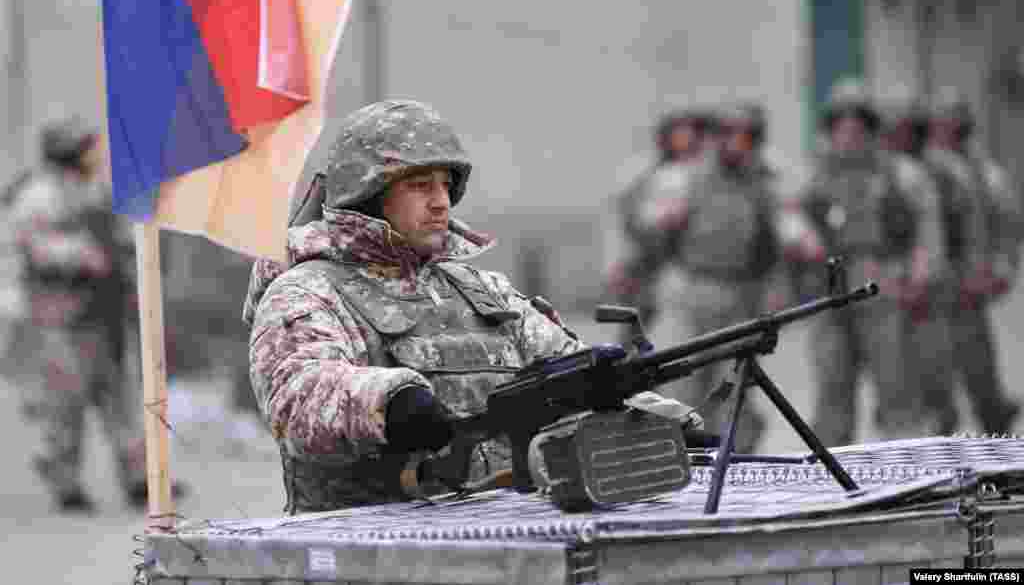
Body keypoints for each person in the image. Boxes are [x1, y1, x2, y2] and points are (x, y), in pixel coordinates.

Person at [242, 100, 702, 513]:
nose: (441, 202)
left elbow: (567, 372)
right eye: (420, 186)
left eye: (445, 185)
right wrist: (388, 401)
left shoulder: (479, 290)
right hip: (361, 544)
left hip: (495, 531)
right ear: (369, 197)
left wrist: (655, 417)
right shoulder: (308, 290)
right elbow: (296, 393)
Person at [630, 102, 810, 454]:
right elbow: (645, 219)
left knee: (733, 391)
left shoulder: (765, 182)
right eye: (726, 135)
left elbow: (789, 224)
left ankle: (732, 464)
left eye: (743, 137)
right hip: (688, 294)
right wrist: (662, 218)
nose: (734, 144)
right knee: (678, 388)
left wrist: (801, 241)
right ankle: (673, 460)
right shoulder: (684, 177)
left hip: (739, 297)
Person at [5, 120, 150, 512]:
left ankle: (139, 479)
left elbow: (119, 236)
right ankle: (65, 483)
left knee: (120, 398)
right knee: (65, 404)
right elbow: (31, 247)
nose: (96, 154)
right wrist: (83, 255)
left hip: (104, 315)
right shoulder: (37, 196)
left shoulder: (94, 191)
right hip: (60, 317)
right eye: (88, 147)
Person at [800, 80, 946, 447]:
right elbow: (785, 217)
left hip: (884, 286)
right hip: (829, 290)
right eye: (841, 124)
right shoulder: (813, 175)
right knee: (833, 392)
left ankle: (906, 467)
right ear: (830, 128)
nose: (849, 133)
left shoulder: (901, 174)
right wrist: (802, 238)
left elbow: (928, 229)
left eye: (858, 124)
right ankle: (832, 473)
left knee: (897, 389)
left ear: (871, 128)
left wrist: (920, 275)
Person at [923, 89, 1022, 434]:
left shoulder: (983, 172)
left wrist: (1002, 271)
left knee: (983, 386)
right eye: (941, 122)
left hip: (968, 292)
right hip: (929, 296)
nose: (947, 129)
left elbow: (1007, 226)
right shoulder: (916, 167)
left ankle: (996, 448)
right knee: (934, 393)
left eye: (954, 122)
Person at [878, 88, 956, 435]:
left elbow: (941, 230)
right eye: (892, 128)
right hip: (897, 291)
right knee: (896, 384)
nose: (898, 136)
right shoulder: (881, 170)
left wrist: (924, 279)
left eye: (906, 128)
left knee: (936, 378)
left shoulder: (942, 170)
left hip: (935, 291)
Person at [602, 108, 710, 346]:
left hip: (683, 265)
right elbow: (622, 218)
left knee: (674, 329)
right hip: (644, 261)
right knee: (634, 329)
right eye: (680, 132)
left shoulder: (706, 173)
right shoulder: (646, 172)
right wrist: (617, 264)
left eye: (691, 132)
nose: (687, 139)